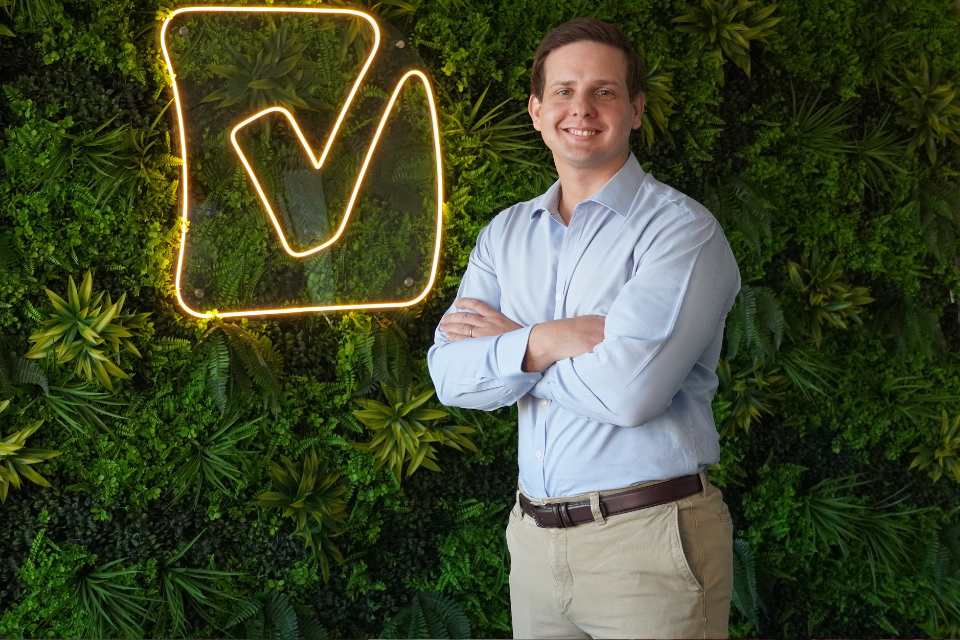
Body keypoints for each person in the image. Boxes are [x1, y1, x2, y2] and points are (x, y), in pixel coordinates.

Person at [426, 16, 741, 639]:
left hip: (649, 544)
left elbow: (630, 394)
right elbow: (450, 377)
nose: (582, 109)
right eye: (564, 91)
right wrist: (546, 340)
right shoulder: (504, 234)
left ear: (635, 110)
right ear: (537, 111)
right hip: (533, 544)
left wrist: (509, 349)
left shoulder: (680, 232)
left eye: (604, 91)